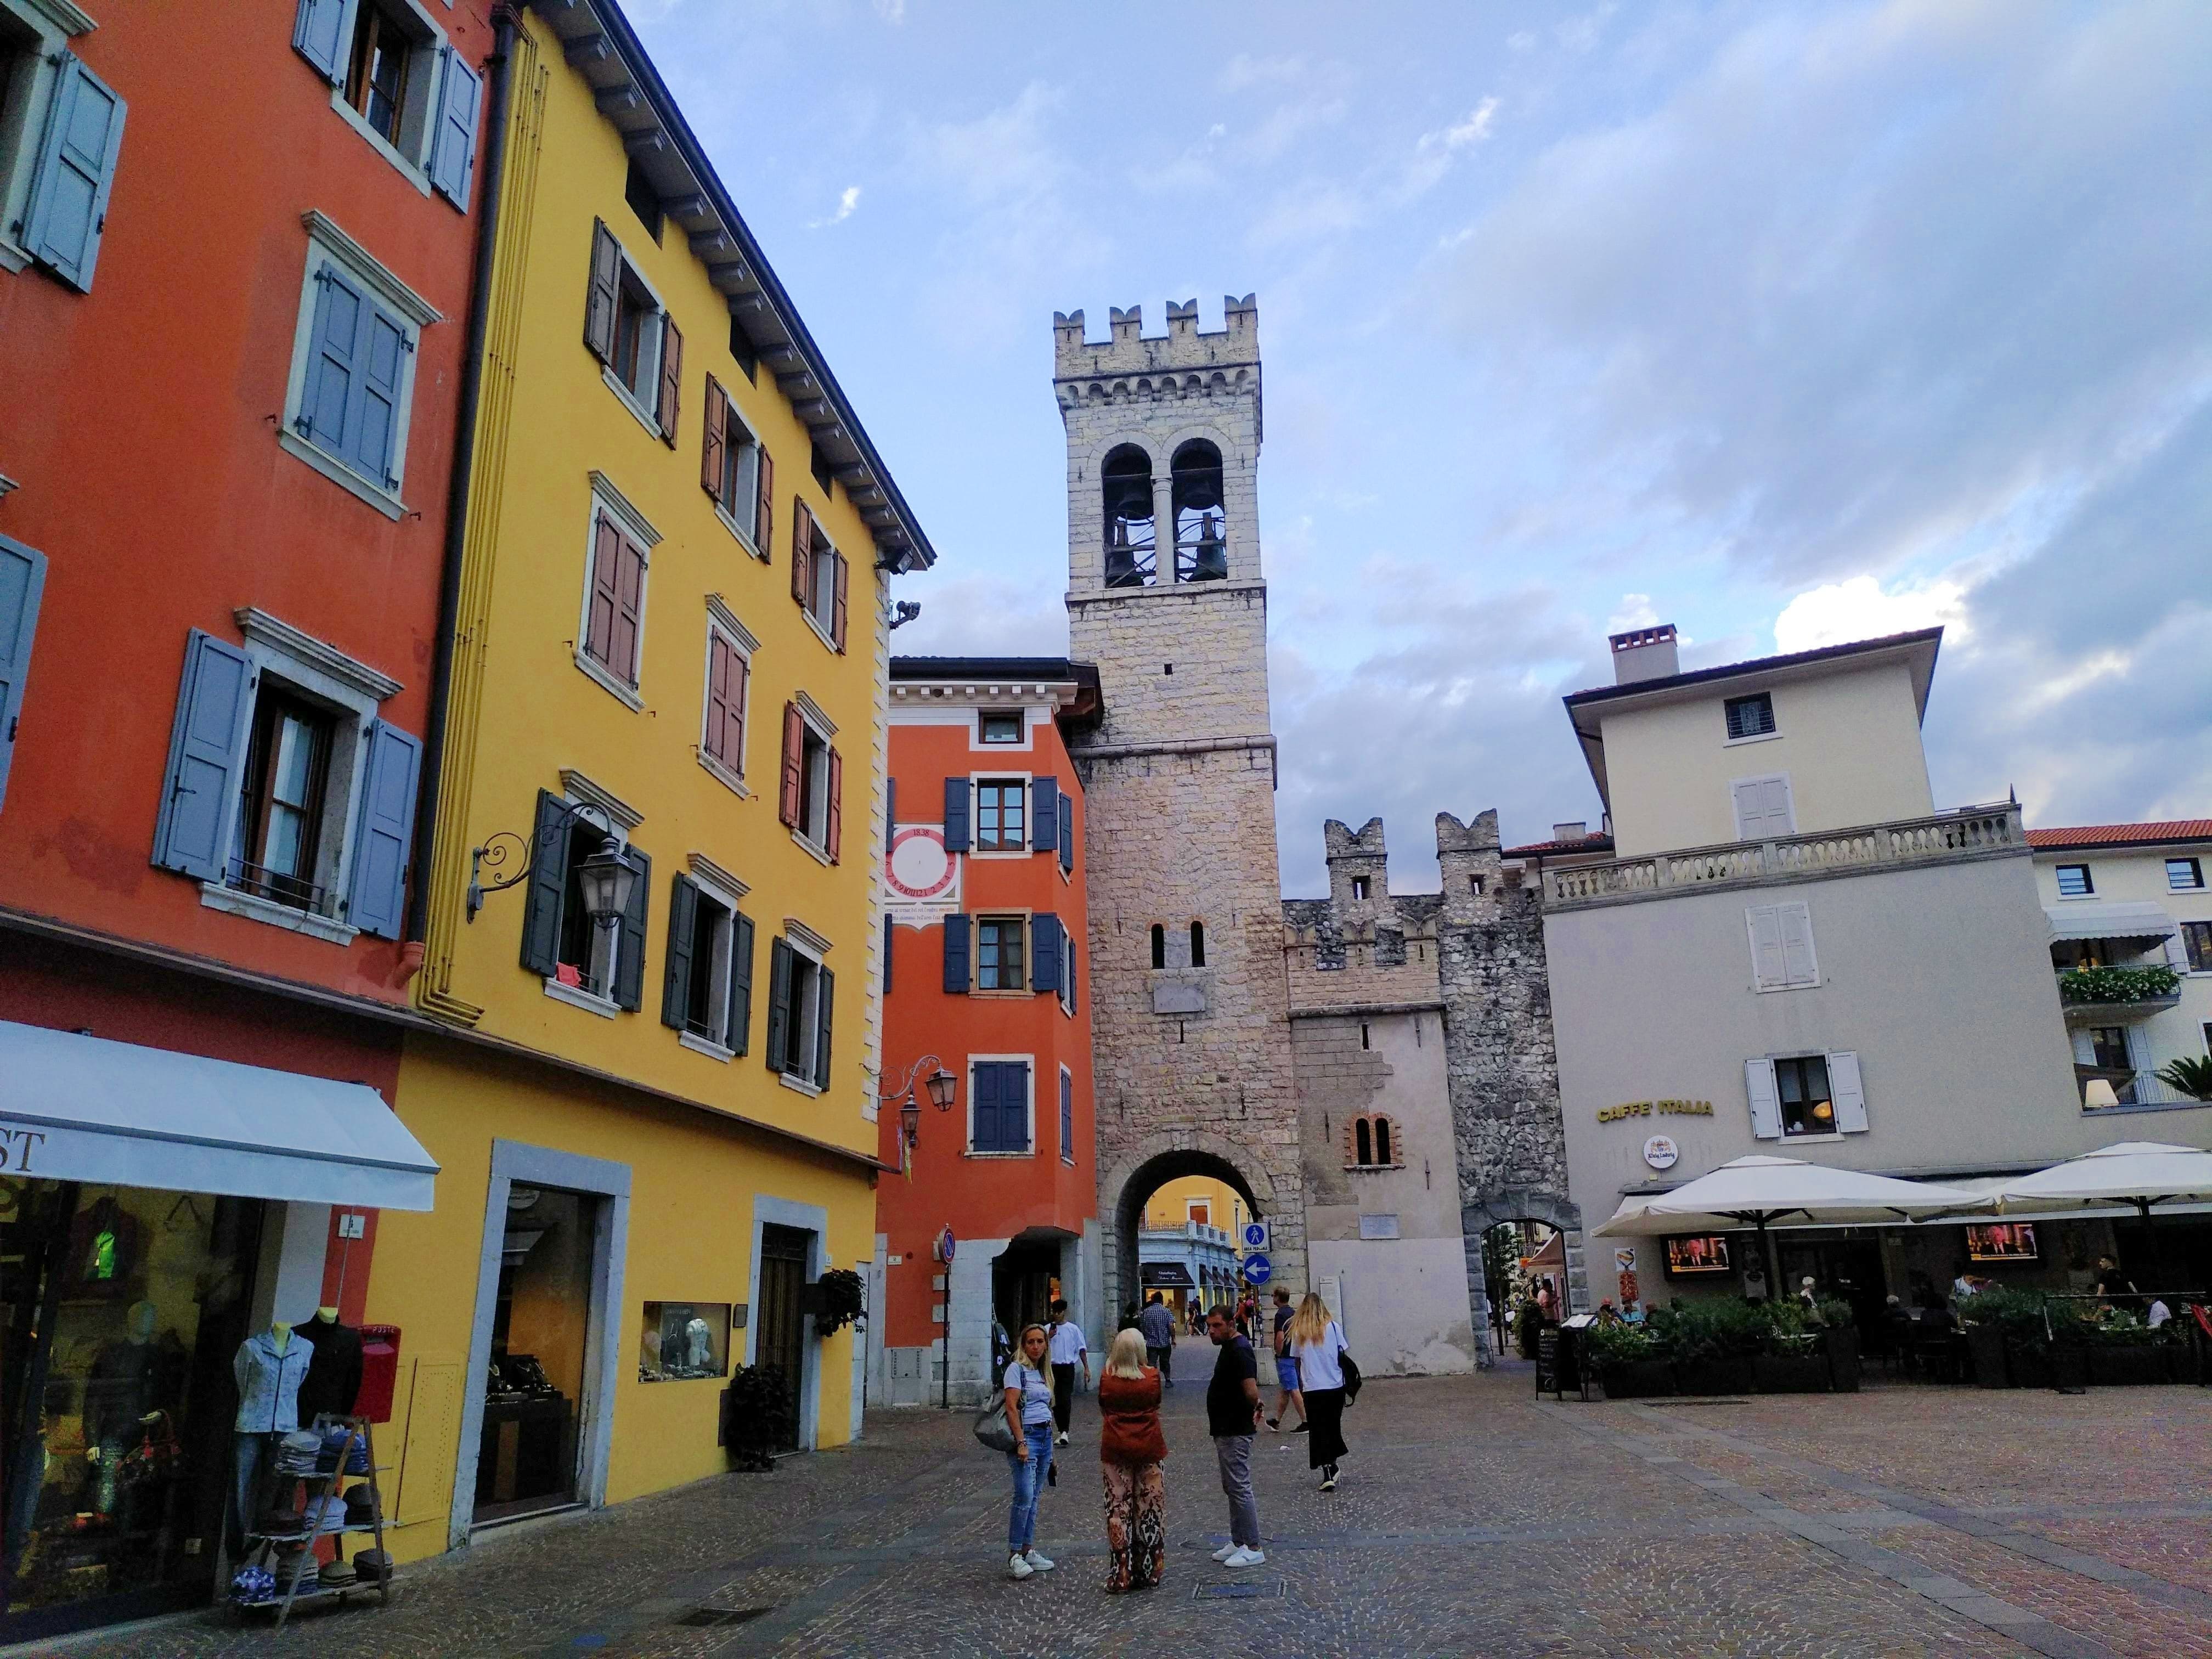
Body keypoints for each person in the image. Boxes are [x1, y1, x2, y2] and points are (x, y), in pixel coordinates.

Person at [1097, 1328, 1168, 1593]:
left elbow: (1103, 1407)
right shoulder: (1152, 1377)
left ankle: (1121, 1573)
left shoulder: (1107, 1378)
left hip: (1116, 1447)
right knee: (1149, 1508)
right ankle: (1149, 1570)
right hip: (1149, 1446)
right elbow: (1156, 1404)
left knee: (1118, 1508)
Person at [1203, 1304, 1266, 1568]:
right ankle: (1239, 1540)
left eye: (1217, 1325)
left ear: (1231, 1324)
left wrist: (1257, 1404)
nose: (1211, 1331)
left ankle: (1253, 1546)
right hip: (1225, 1427)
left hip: (1235, 1428)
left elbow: (1250, 1389)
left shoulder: (1240, 1349)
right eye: (1209, 1326)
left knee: (1239, 1486)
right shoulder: (1229, 1347)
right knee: (1231, 1486)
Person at [1001, 1324, 1058, 1580]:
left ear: (1046, 1345)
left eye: (1040, 1342)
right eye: (1031, 1342)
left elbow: (1047, 1407)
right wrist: (1021, 1442)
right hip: (1027, 1436)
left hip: (1045, 1436)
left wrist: (1052, 1450)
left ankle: (1027, 1549)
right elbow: (1012, 1408)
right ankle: (1014, 1554)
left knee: (1034, 1498)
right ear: (1023, 1345)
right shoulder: (1016, 1370)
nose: (1036, 1346)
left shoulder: (1043, 1372)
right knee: (1023, 1496)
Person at [1286, 1290, 1350, 1493]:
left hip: (1313, 1387)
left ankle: (1328, 1470)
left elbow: (1297, 1360)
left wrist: (1302, 1381)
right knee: (1332, 1426)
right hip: (1335, 1385)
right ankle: (1331, 1465)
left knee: (1318, 1429)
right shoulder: (1334, 1327)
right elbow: (1342, 1352)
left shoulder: (1299, 1332)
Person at [1045, 1300, 1088, 1446]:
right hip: (1052, 1367)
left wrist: (1086, 1368)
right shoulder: (1047, 1329)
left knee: (1065, 1398)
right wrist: (1048, 1337)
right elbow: (1041, 1347)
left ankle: (1065, 1431)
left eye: (1059, 1312)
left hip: (1067, 1367)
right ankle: (1061, 1430)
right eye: (1055, 1312)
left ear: (1064, 1312)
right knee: (1055, 1400)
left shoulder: (1073, 1329)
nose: (1057, 1315)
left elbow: (1081, 1349)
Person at [1266, 1285, 1306, 1432]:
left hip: (1285, 1357)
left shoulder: (1280, 1315)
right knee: (1286, 1389)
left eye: (1274, 1296)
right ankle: (1277, 1420)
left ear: (1278, 1297)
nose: (1273, 1298)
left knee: (1293, 1389)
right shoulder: (1294, 1313)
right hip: (1294, 1354)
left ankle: (1306, 1421)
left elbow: (1280, 1336)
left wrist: (1278, 1353)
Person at [1138, 1293, 1177, 1387]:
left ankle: (1152, 1381)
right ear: (1162, 1300)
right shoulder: (1166, 1311)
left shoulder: (1146, 1312)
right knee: (1165, 1362)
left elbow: (1142, 1326)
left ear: (1152, 1300)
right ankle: (1168, 1381)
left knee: (1151, 1363)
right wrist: (1173, 1338)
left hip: (1151, 1343)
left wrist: (1145, 1336)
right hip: (1164, 1343)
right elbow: (1171, 1326)